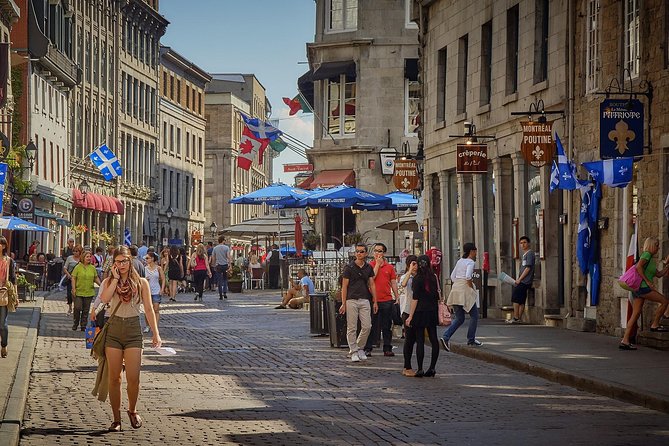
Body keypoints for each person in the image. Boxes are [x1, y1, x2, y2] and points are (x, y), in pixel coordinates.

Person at [98, 246, 161, 431]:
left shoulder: (141, 282)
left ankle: (132, 410)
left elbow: (149, 309)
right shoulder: (110, 280)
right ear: (113, 263)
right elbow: (104, 299)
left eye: (124, 261)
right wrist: (115, 279)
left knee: (133, 378)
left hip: (134, 330)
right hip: (115, 329)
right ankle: (116, 419)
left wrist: (156, 333)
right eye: (118, 261)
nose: (122, 264)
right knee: (115, 378)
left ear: (130, 260)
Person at [620, 237, 669, 350]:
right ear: (651, 245)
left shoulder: (650, 259)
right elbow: (638, 267)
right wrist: (647, 281)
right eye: (656, 245)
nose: (658, 247)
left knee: (635, 314)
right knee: (665, 301)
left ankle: (625, 340)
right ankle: (655, 324)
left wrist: (667, 265)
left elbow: (659, 274)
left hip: (638, 289)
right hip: (643, 288)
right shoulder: (646, 255)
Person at [340, 243, 378, 362]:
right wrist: (343, 303)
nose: (359, 253)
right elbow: (344, 286)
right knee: (352, 327)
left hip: (365, 299)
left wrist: (375, 301)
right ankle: (354, 351)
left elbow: (372, 284)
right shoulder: (349, 268)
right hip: (351, 299)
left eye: (361, 251)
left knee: (367, 326)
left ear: (366, 253)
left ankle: (359, 347)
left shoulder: (368, 268)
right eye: (357, 251)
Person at [441, 243, 482, 351]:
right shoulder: (470, 262)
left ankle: (446, 336)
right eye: (475, 251)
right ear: (472, 251)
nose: (476, 253)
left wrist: (459, 282)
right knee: (474, 315)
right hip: (465, 289)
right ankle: (471, 339)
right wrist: (470, 287)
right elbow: (468, 276)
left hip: (456, 289)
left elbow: (452, 276)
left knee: (460, 318)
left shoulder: (460, 261)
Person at [405, 255, 440, 377]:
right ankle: (432, 367)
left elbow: (415, 299)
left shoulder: (417, 278)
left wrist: (410, 316)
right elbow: (438, 295)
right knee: (433, 338)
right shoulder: (434, 277)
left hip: (420, 311)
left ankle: (420, 368)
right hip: (432, 311)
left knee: (420, 340)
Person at [364, 243, 400, 357]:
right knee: (371, 325)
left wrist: (396, 295)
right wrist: (378, 265)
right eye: (375, 251)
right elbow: (372, 278)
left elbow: (393, 282)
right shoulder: (370, 265)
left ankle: (387, 348)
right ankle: (368, 348)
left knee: (386, 325)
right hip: (374, 299)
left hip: (386, 299)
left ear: (384, 253)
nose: (377, 253)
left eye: (379, 251)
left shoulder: (389, 267)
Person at [71, 251, 101, 331]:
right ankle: (76, 322)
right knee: (77, 308)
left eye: (90, 257)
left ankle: (83, 325)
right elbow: (73, 278)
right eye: (87, 257)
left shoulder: (92, 268)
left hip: (89, 292)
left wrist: (101, 285)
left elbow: (95, 278)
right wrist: (73, 288)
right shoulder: (78, 267)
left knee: (86, 310)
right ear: (83, 258)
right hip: (79, 291)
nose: (89, 258)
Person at [508, 236, 535, 324]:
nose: (523, 245)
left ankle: (516, 317)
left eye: (524, 242)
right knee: (521, 300)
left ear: (528, 243)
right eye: (521, 243)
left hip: (524, 281)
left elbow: (527, 268)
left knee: (516, 299)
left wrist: (519, 279)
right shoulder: (525, 254)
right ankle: (518, 318)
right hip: (523, 280)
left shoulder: (530, 254)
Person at [400, 255, 418, 376]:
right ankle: (407, 366)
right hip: (407, 310)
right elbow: (403, 284)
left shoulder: (421, 277)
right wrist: (410, 271)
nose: (416, 266)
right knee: (409, 340)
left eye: (416, 264)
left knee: (417, 339)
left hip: (419, 310)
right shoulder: (405, 277)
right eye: (413, 264)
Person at [0, 236, 17, 358]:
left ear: (4, 246)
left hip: (3, 293)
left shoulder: (8, 261)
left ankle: (4, 344)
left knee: (2, 324)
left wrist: (15, 296)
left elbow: (13, 278)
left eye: (1, 244)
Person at [143, 252, 165, 334]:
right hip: (147, 290)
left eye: (148, 258)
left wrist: (162, 289)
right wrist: (145, 279)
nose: (146, 259)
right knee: (147, 309)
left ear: (152, 259)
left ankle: (155, 326)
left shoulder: (158, 268)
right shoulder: (145, 268)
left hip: (156, 290)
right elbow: (141, 280)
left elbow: (163, 279)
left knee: (156, 309)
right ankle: (148, 325)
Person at [63, 245, 83, 315]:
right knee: (69, 294)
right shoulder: (70, 258)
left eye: (76, 251)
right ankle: (70, 307)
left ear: (80, 252)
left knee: (77, 294)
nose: (75, 253)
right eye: (74, 251)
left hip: (79, 280)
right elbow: (65, 268)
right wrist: (68, 274)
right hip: (70, 279)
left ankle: (76, 307)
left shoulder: (82, 259)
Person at [211, 235, 231, 299]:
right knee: (225, 279)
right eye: (225, 240)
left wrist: (213, 264)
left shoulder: (215, 248)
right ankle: (224, 292)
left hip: (218, 265)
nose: (225, 241)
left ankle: (220, 294)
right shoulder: (226, 248)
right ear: (223, 240)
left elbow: (213, 257)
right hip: (225, 265)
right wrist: (230, 264)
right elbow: (228, 256)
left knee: (219, 280)